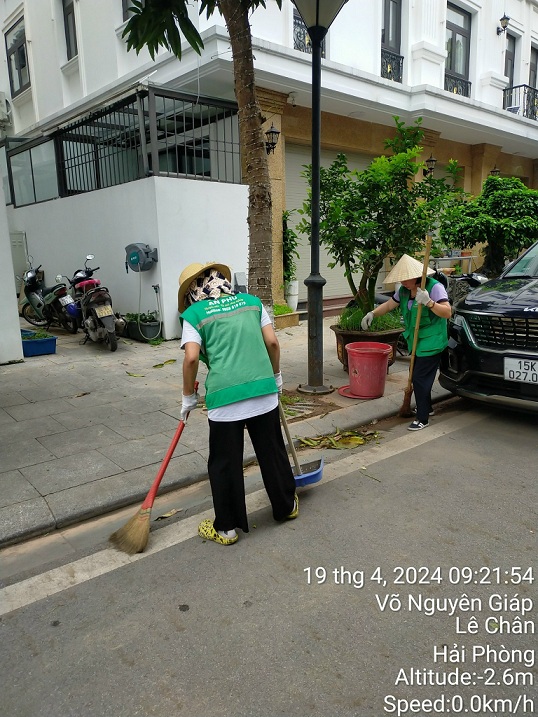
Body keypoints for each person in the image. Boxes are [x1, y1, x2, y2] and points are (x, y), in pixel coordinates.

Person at [178, 261, 298, 546]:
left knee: (225, 462)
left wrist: (187, 397)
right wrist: (277, 376)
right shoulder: (253, 303)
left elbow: (192, 358)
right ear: (223, 281)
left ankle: (227, 529)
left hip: (225, 398)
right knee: (272, 452)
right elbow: (272, 344)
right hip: (263, 390)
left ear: (192, 292)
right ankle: (285, 507)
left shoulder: (194, 314)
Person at [361, 254, 451, 431]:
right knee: (417, 375)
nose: (402, 281)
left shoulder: (434, 288)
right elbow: (389, 305)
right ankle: (428, 408)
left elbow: (447, 312)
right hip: (415, 341)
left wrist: (430, 302)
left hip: (432, 341)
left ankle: (422, 418)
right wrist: (372, 313)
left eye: (404, 277)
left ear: (416, 275)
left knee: (419, 378)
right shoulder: (403, 291)